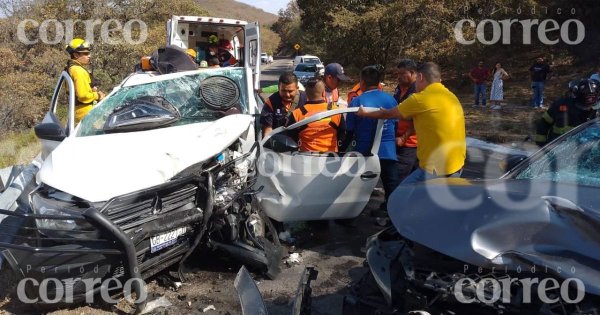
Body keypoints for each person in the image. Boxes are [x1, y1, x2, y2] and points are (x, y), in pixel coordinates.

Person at [357, 62, 466, 185]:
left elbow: (388, 114)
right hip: (456, 163)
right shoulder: (450, 95)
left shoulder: (421, 98)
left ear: (419, 77)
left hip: (435, 168)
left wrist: (364, 113)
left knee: (400, 195)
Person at [346, 66, 399, 220]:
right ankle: (393, 215)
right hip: (388, 149)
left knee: (357, 185)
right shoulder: (390, 99)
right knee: (391, 185)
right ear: (378, 82)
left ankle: (351, 217)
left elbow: (350, 129)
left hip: (364, 150)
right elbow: (395, 124)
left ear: (361, 82)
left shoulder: (357, 101)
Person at [535, 78, 599, 146]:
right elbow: (545, 121)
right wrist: (541, 144)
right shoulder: (561, 105)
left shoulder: (596, 110)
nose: (588, 109)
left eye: (591, 106)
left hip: (583, 151)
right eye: (585, 107)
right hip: (556, 148)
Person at [287, 77, 344, 152]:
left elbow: (290, 140)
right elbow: (342, 137)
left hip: (305, 159)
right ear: (324, 93)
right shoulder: (336, 112)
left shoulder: (297, 114)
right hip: (331, 159)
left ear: (306, 93)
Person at [65, 38, 105, 123]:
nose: (89, 56)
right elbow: (83, 96)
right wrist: (98, 95)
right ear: (76, 55)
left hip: (81, 113)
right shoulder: (78, 71)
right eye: (86, 54)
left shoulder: (71, 68)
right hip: (87, 114)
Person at [392, 59, 419, 183]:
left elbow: (417, 119)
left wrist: (403, 137)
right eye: (398, 74)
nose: (399, 77)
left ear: (413, 73)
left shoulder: (418, 91)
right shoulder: (400, 88)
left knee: (398, 181)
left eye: (402, 74)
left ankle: (392, 202)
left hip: (410, 144)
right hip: (399, 140)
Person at [260, 72, 307, 136]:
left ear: (297, 88)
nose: (287, 95)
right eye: (284, 91)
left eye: (290, 91)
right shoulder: (270, 102)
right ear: (279, 88)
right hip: (280, 142)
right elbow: (267, 130)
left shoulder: (306, 99)